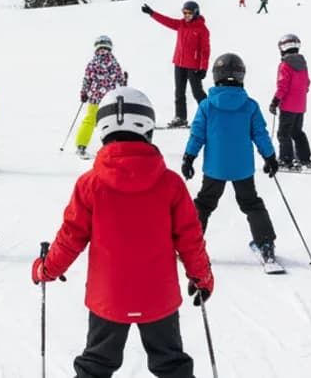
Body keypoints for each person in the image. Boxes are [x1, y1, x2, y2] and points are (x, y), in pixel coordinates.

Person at [32, 87, 213, 378]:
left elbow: (71, 237)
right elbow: (190, 239)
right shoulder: (170, 184)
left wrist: (47, 269)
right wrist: (201, 276)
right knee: (172, 366)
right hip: (158, 297)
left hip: (109, 297)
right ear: (148, 129)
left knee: (95, 366)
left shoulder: (90, 184)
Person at [182, 53, 280, 261]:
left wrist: (189, 158)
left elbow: (197, 135)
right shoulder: (250, 105)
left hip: (215, 168)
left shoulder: (207, 106)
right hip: (242, 168)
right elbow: (260, 134)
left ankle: (190, 246)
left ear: (216, 75)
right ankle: (265, 244)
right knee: (251, 203)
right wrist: (270, 157)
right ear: (241, 75)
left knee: (204, 204)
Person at [141, 0, 210, 128]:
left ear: (196, 13)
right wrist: (152, 13)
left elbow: (205, 50)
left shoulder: (202, 29)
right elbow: (167, 21)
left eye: (189, 13)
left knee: (197, 93)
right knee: (179, 92)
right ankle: (180, 118)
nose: (186, 15)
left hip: (193, 66)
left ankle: (210, 116)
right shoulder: (181, 24)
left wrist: (203, 68)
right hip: (179, 64)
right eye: (184, 12)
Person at [74, 35, 128, 159]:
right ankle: (113, 146)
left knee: (90, 120)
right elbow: (120, 81)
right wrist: (124, 81)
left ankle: (81, 145)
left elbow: (87, 80)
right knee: (111, 121)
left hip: (96, 97)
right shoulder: (114, 63)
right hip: (110, 99)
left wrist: (84, 93)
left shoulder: (93, 63)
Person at [268, 34, 311, 169]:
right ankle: (305, 159)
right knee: (297, 132)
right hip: (300, 106)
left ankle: (286, 160)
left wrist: (275, 102)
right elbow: (307, 83)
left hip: (288, 106)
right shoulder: (303, 65)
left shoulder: (285, 65)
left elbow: (283, 86)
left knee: (283, 134)